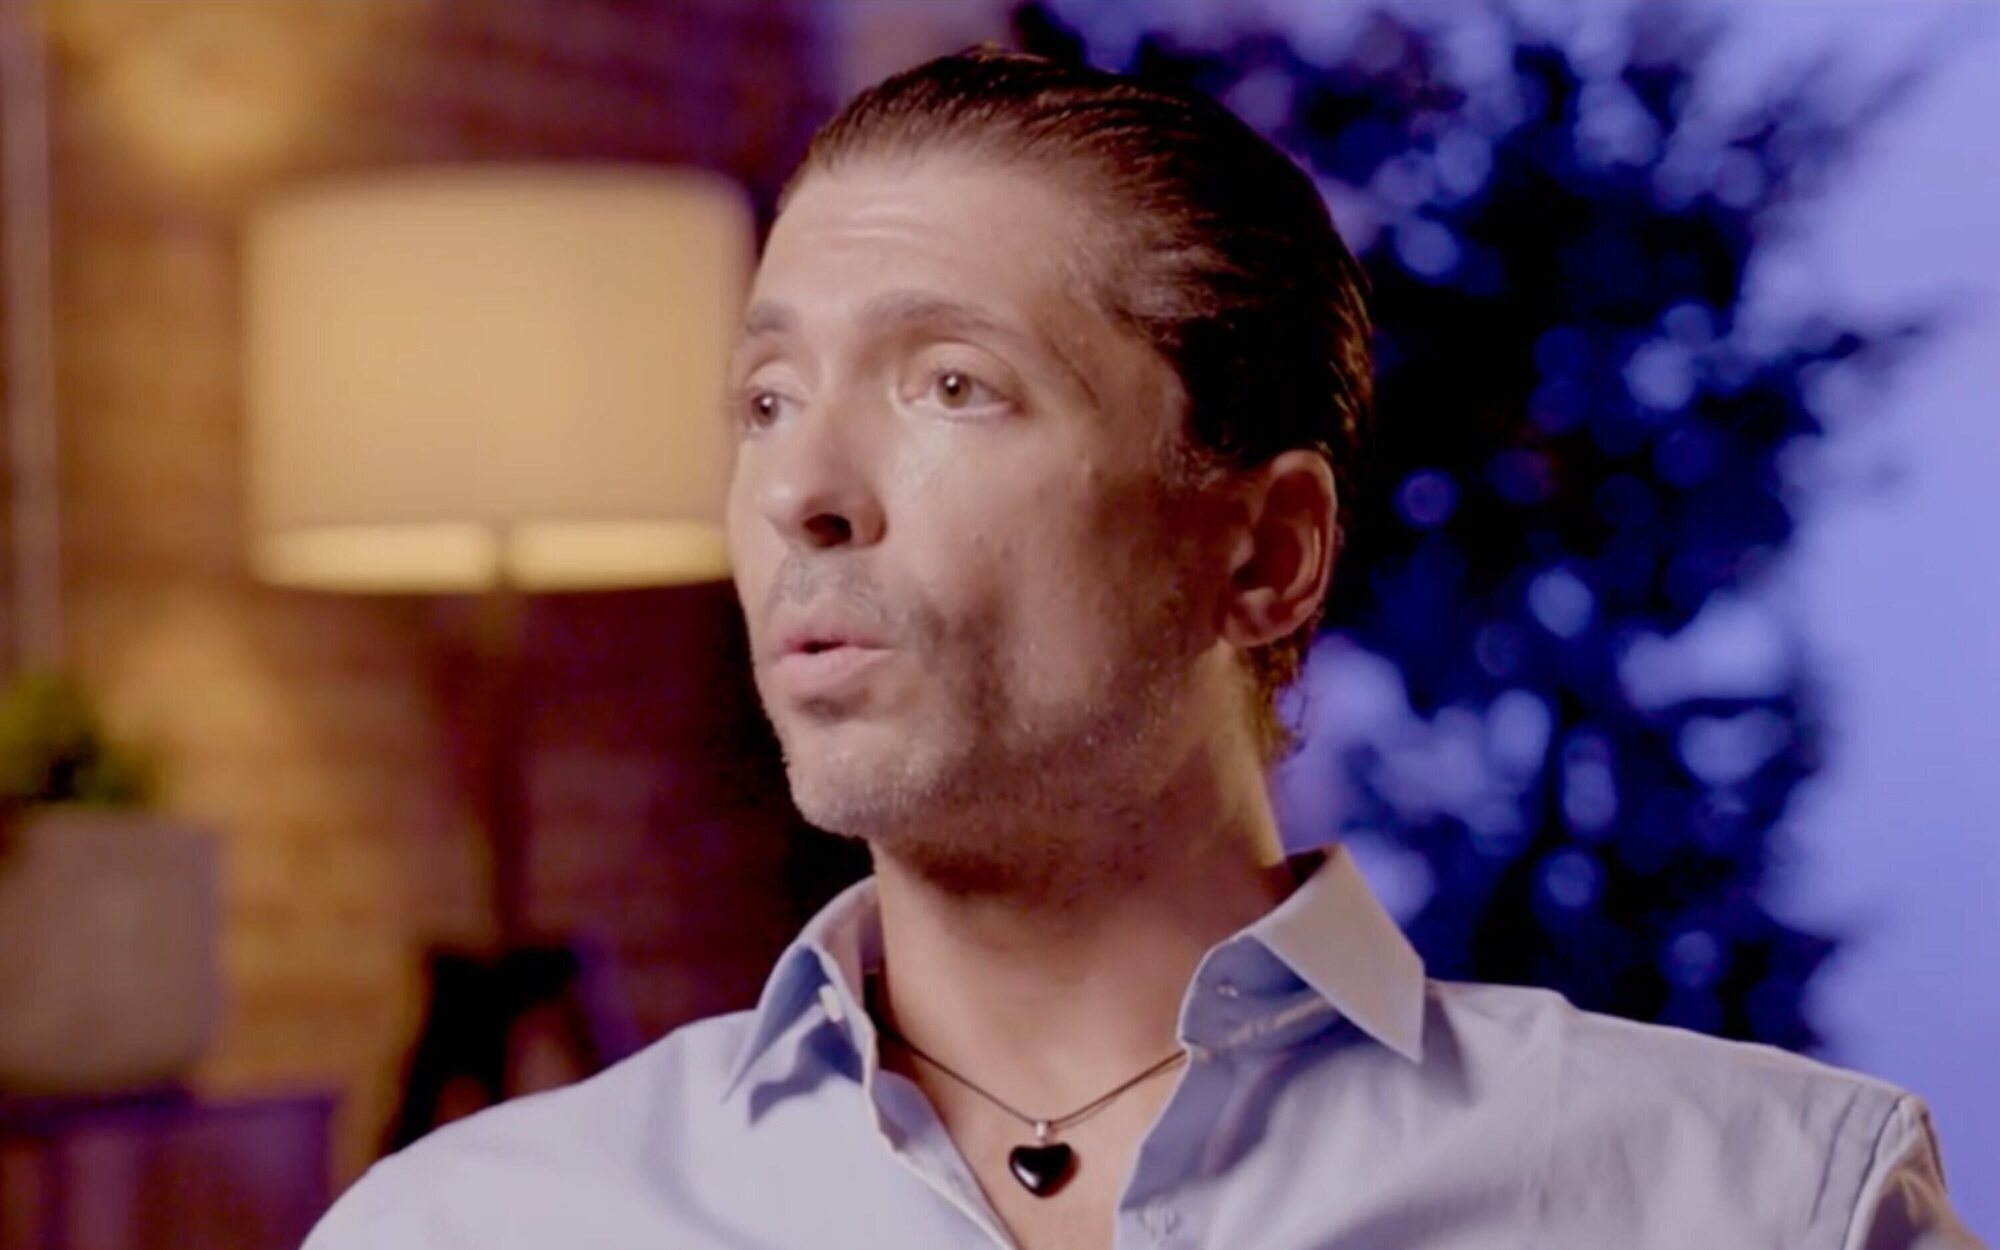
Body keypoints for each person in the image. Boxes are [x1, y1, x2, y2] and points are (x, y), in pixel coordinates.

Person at [303, 48, 1984, 1250]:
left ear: (1264, 554)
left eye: (952, 384)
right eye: (764, 399)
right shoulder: (466, 1226)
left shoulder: (1764, 1201)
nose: (802, 489)